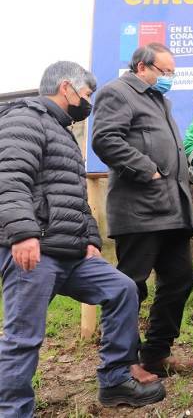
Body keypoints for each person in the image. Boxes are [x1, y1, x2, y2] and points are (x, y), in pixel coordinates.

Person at [0, 62, 165, 415]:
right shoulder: (23, 120)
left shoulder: (61, 131)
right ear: (66, 88)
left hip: (70, 253)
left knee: (122, 289)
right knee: (24, 338)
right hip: (35, 250)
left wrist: (89, 238)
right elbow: (10, 180)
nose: (87, 102)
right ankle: (12, 411)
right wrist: (23, 233)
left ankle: (115, 380)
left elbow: (73, 196)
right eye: (87, 95)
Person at [92, 43, 193, 376]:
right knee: (131, 287)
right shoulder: (118, 93)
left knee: (181, 279)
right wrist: (147, 169)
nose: (169, 78)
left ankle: (156, 354)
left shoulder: (159, 101)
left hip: (171, 210)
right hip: (139, 210)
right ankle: (123, 363)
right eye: (165, 72)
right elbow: (105, 139)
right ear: (142, 67)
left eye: (172, 73)